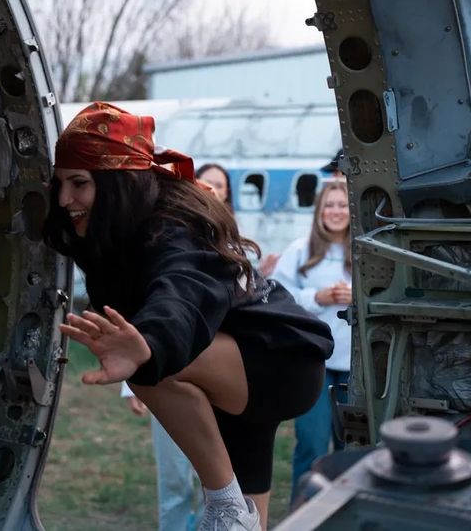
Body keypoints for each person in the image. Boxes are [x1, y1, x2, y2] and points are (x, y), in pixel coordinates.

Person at [43, 102, 334, 531]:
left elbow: (181, 291)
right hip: (243, 368)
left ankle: (224, 504)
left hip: (275, 361)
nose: (65, 199)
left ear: (118, 181)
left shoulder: (172, 224)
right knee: (248, 523)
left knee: (149, 371)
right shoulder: (121, 229)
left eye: (80, 184)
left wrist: (149, 344)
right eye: (60, 184)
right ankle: (233, 510)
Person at [270, 180, 351, 501]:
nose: (335, 211)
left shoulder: (363, 249)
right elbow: (276, 295)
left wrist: (356, 298)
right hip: (314, 364)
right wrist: (315, 296)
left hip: (356, 368)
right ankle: (303, 515)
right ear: (319, 211)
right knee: (313, 446)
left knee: (351, 449)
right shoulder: (301, 250)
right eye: (329, 205)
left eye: (342, 204)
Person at [121, 380, 204, 530]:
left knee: (215, 484)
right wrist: (131, 383)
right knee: (173, 478)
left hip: (217, 385)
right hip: (167, 382)